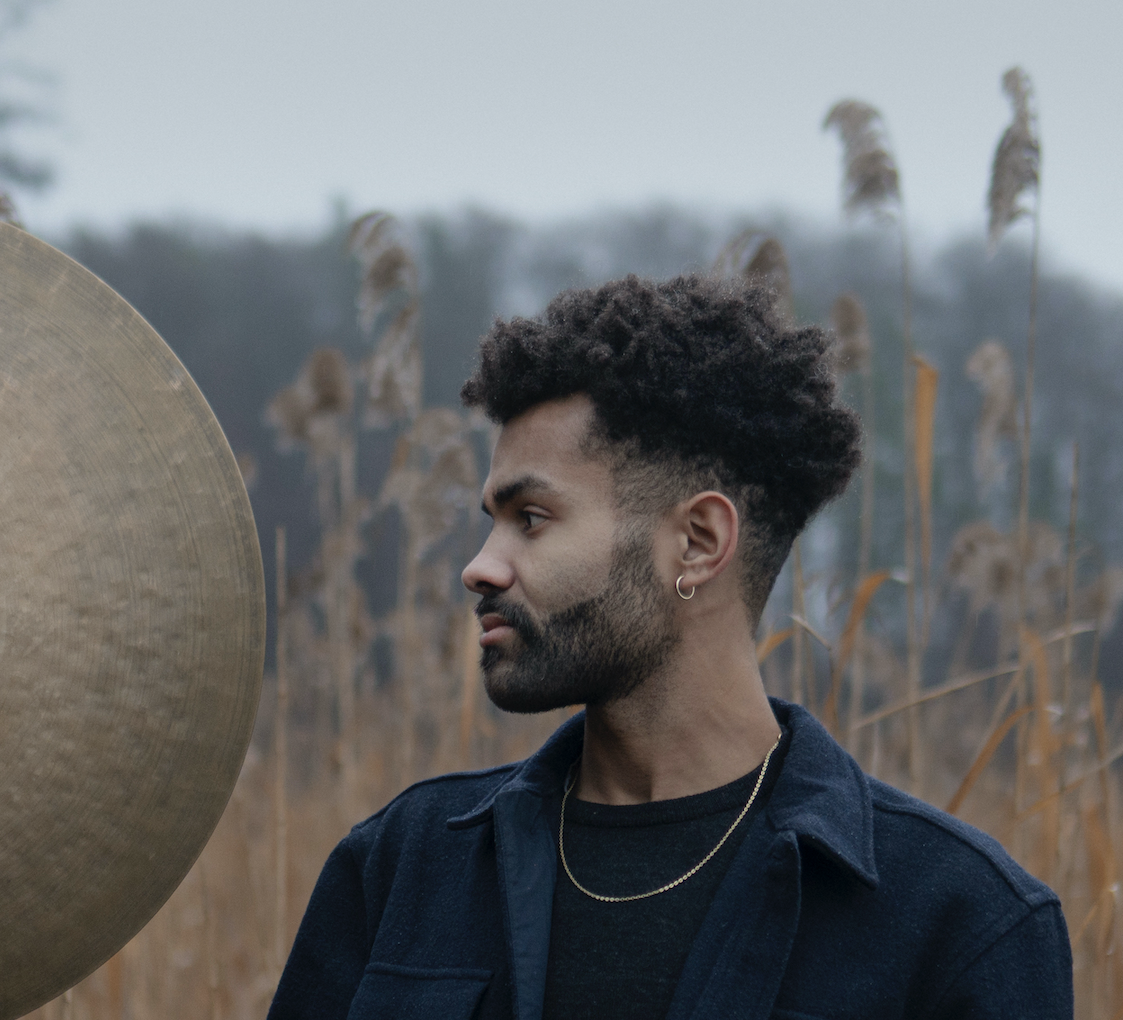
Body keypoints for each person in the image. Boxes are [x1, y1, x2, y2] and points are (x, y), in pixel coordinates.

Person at [268, 274, 1073, 1020]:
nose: (480, 567)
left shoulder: (962, 923)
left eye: (531, 519)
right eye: (492, 521)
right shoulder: (400, 869)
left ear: (697, 542)